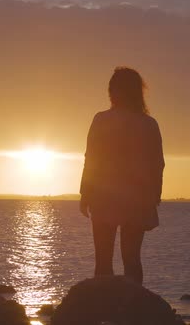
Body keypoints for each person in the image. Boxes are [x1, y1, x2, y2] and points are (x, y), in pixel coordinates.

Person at [79, 66, 165, 285]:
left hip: (104, 196)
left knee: (103, 262)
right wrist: (155, 194)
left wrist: (85, 194)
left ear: (113, 91)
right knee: (132, 259)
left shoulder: (101, 120)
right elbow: (158, 163)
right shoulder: (149, 124)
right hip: (138, 198)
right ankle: (133, 311)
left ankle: (103, 311)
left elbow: (92, 159)